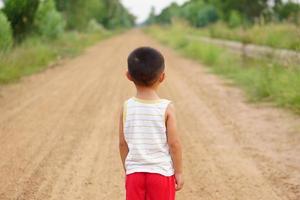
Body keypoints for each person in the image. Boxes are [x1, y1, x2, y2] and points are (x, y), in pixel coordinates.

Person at [119, 47, 183, 200]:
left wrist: (129, 170)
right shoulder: (166, 108)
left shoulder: (126, 106)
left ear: (128, 76)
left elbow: (122, 144)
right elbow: (174, 144)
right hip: (161, 175)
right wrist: (178, 172)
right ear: (162, 77)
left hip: (135, 175)